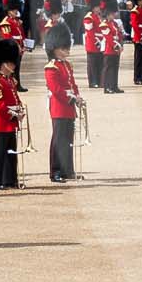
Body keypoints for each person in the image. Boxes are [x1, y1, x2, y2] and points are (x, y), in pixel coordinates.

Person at [44, 23, 80, 183]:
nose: (66, 51)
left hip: (69, 107)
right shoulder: (51, 68)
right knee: (59, 139)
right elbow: (56, 89)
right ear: (54, 48)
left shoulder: (67, 65)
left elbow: (73, 84)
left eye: (67, 48)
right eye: (63, 49)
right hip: (59, 108)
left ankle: (67, 170)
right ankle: (56, 171)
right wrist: (71, 98)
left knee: (68, 139)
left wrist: (78, 97)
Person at [0, 39, 24, 189]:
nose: (13, 65)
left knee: (11, 153)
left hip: (11, 122)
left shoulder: (11, 81)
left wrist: (20, 109)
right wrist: (14, 114)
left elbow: (16, 98)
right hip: (2, 123)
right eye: (11, 62)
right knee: (0, 154)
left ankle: (10, 179)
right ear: (3, 63)